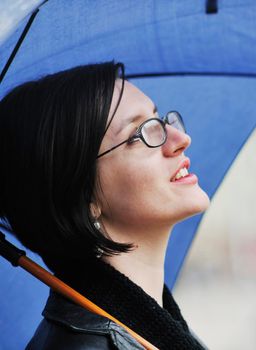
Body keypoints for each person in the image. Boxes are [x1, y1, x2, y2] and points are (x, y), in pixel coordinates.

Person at [0, 62, 210, 349]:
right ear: (84, 196)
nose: (180, 140)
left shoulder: (162, 330)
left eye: (158, 120)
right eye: (140, 133)